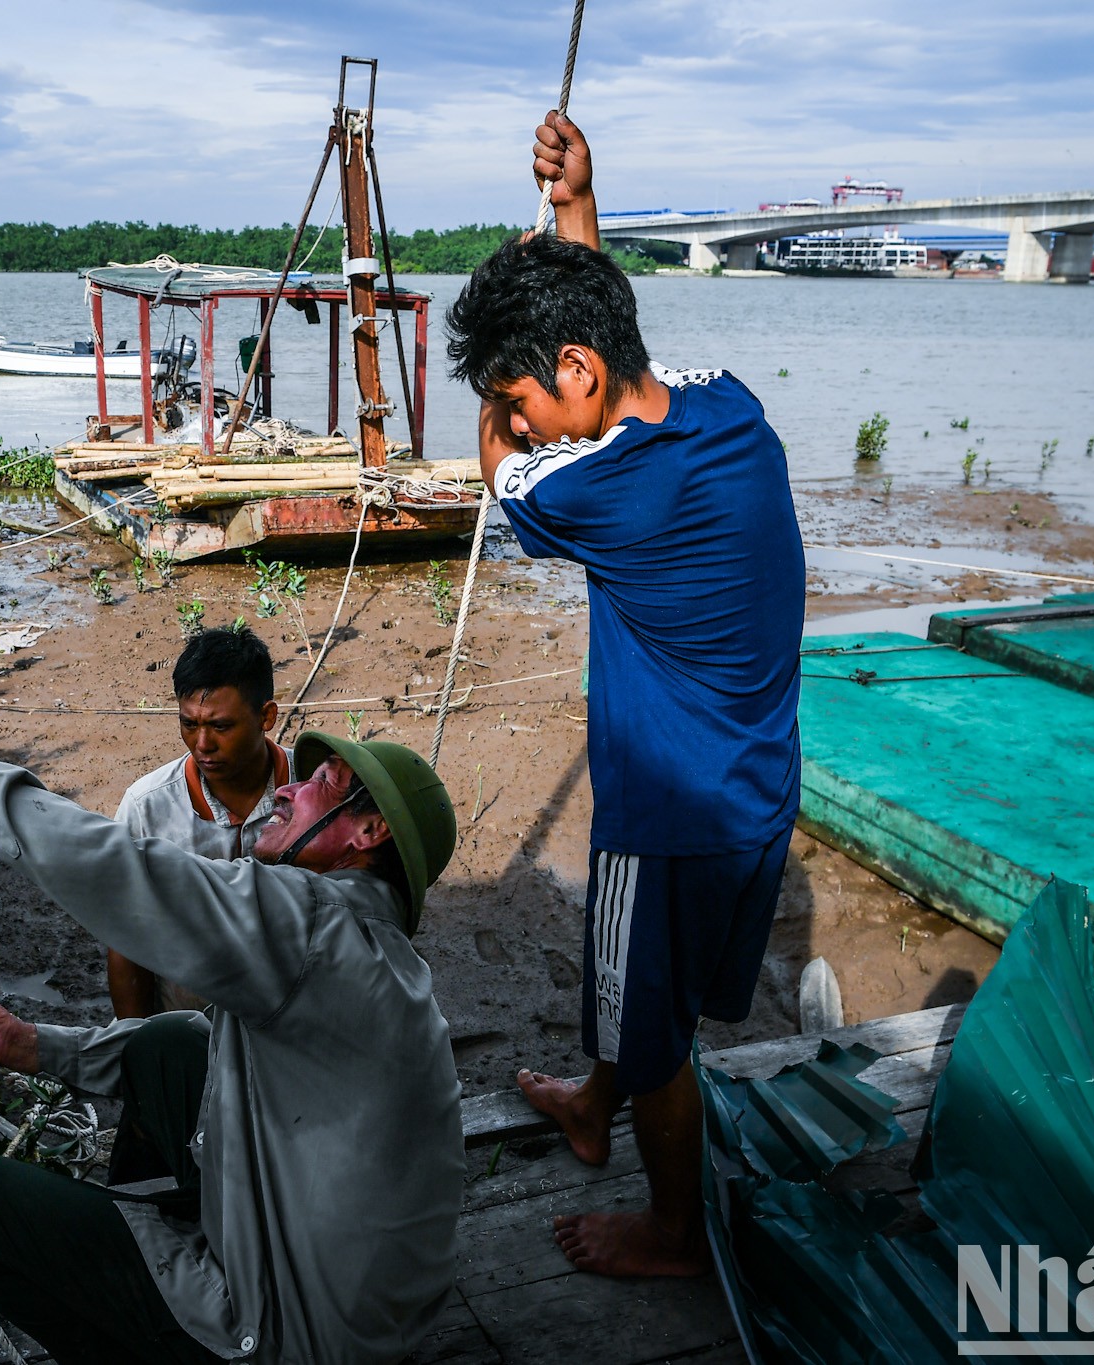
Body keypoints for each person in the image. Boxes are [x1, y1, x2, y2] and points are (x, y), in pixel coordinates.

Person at [444, 111, 804, 1279]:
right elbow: (613, 345)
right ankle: (592, 1096)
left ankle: (670, 1229)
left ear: (575, 378)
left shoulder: (602, 493)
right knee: (638, 997)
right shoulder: (726, 406)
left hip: (664, 824)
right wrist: (569, 221)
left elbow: (498, 473)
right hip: (754, 785)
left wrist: (495, 415)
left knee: (656, 1043)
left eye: (520, 395)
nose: (515, 419)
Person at [0, 686, 464, 1365]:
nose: (288, 792)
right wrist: (27, 1044)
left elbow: (123, 870)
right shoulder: (377, 949)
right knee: (173, 1042)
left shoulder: (316, 925)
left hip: (293, 1334)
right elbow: (228, 1051)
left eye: (321, 785)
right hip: (375, 1320)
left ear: (368, 834)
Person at [109, 623, 291, 1018]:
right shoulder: (147, 808)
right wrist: (137, 1044)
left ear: (267, 716)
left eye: (221, 726)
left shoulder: (313, 789)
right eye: (189, 724)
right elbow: (126, 940)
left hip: (294, 1023)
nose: (203, 745)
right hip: (190, 1026)